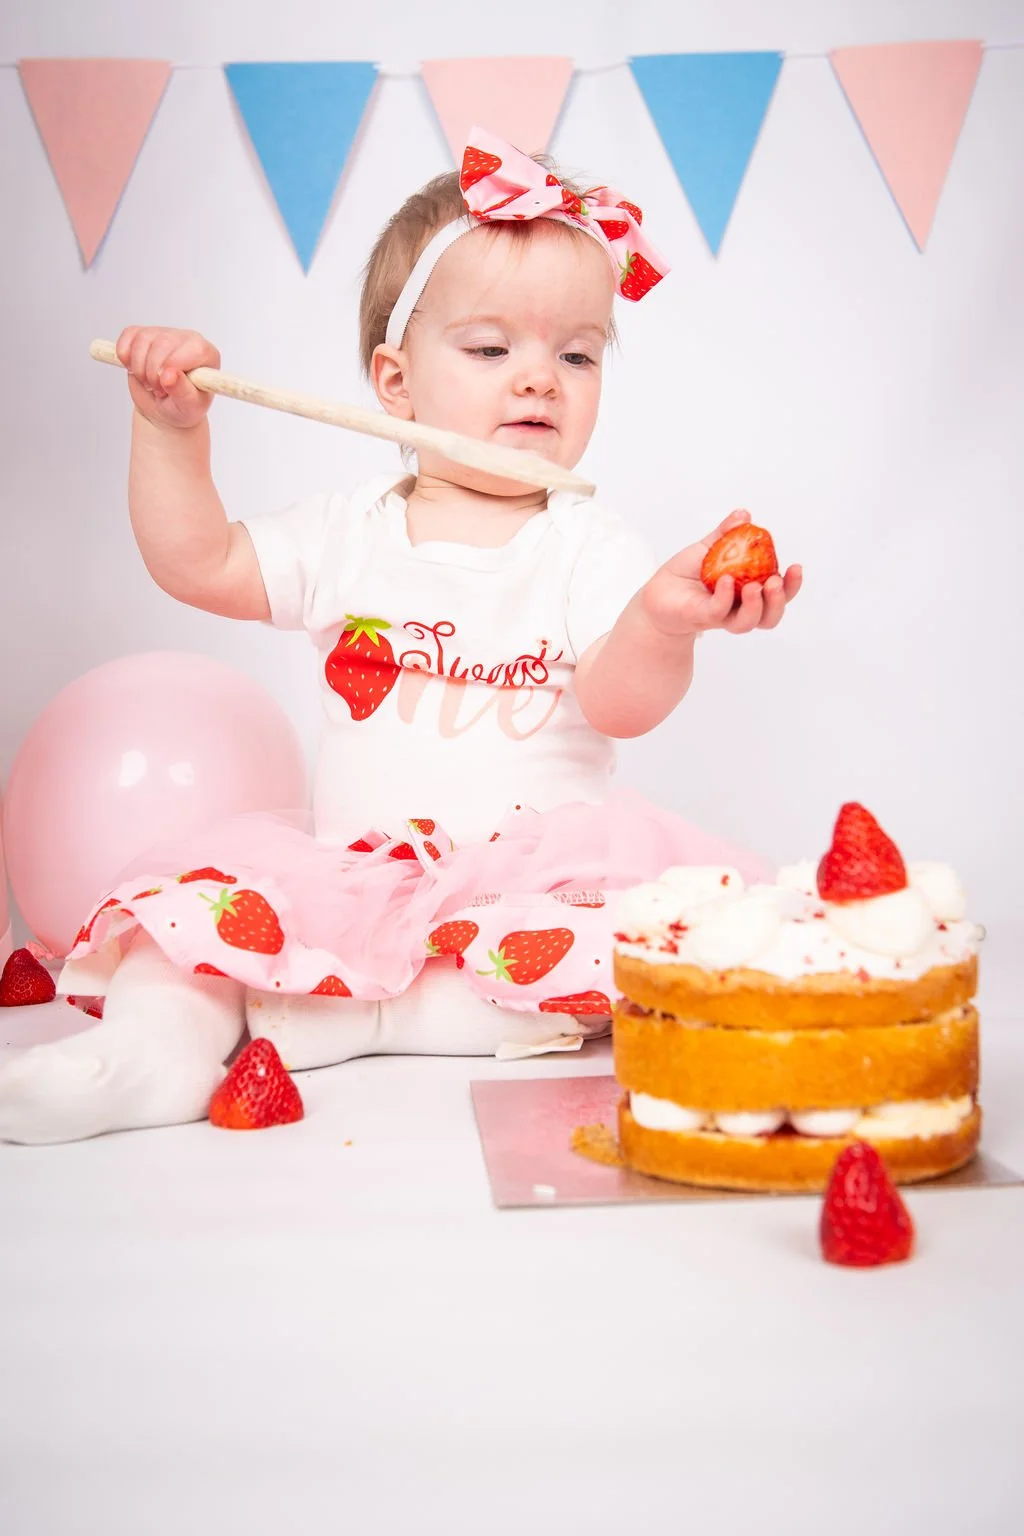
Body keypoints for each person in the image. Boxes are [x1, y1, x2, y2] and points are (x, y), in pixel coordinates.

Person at [0, 127, 800, 1144]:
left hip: (526, 888)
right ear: (394, 384)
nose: (538, 379)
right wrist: (171, 432)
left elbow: (620, 704)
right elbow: (197, 562)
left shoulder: (587, 546)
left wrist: (662, 620)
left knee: (633, 952)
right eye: (489, 348)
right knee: (184, 923)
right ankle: (143, 1058)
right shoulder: (351, 535)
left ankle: (366, 1011)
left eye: (577, 353)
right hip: (354, 879)